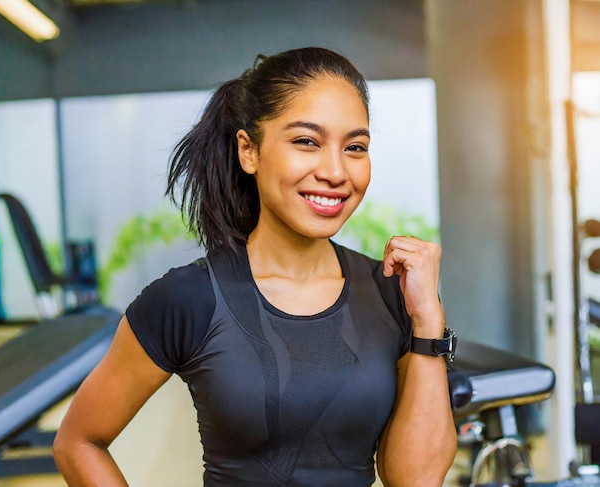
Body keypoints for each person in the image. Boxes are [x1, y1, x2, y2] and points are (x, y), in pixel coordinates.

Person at [52, 47, 457, 486]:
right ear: (249, 151)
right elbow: (79, 442)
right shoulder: (189, 298)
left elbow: (417, 480)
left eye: (355, 147)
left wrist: (428, 322)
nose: (336, 171)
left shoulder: (387, 292)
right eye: (307, 141)